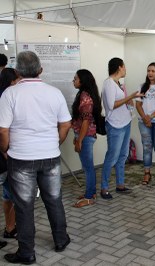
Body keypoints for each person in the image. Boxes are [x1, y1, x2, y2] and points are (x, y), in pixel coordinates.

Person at [0, 51, 71, 264]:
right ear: (40, 70)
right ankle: (61, 239)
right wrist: (54, 143)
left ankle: (27, 252)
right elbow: (66, 124)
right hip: (50, 157)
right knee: (54, 200)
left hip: (20, 158)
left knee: (24, 205)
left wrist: (5, 149)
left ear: (17, 71)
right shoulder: (54, 92)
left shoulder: (10, 94)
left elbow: (3, 130)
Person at [100, 57, 143, 199]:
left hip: (125, 122)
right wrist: (129, 96)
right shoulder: (109, 84)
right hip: (115, 124)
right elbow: (112, 105)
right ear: (119, 67)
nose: (126, 69)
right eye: (124, 67)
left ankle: (120, 184)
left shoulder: (119, 84)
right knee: (112, 156)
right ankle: (104, 188)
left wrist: (130, 101)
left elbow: (123, 102)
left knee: (123, 155)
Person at [71, 69, 102, 207]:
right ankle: (91, 192)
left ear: (82, 81)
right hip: (85, 135)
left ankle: (89, 197)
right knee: (87, 167)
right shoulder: (84, 94)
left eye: (76, 78)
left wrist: (80, 140)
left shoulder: (85, 97)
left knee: (88, 167)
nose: (74, 80)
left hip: (86, 136)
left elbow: (85, 122)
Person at [0, 68, 19, 248]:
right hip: (4, 156)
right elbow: (3, 130)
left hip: (7, 156)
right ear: (12, 81)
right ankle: (9, 227)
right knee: (8, 193)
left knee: (9, 194)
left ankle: (10, 228)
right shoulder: (6, 97)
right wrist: (6, 151)